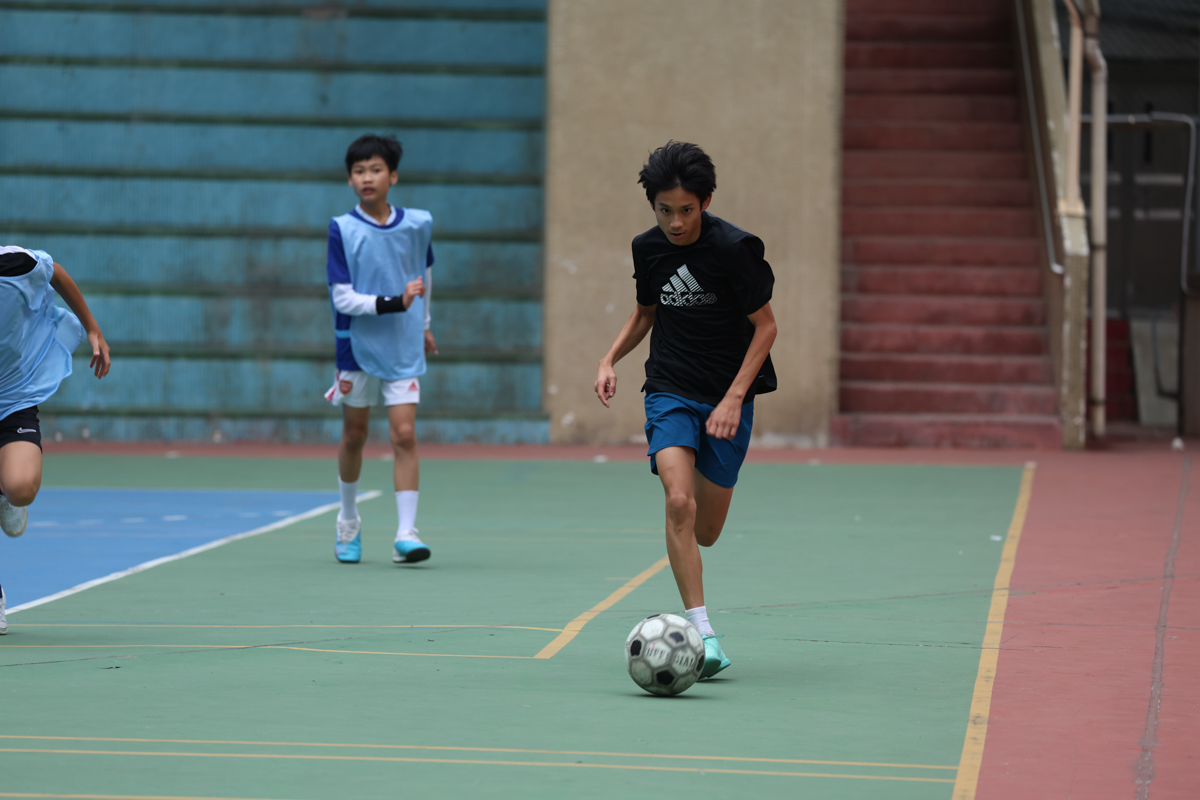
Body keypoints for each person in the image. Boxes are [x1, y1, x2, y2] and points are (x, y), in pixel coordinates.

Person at [594, 141, 777, 678]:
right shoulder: (648, 249)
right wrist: (608, 359)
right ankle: (704, 634)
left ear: (706, 201)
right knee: (679, 501)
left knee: (706, 530)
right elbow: (645, 313)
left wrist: (734, 398)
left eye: (687, 210)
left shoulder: (735, 249)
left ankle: (698, 505)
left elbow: (766, 327)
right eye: (665, 210)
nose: (675, 222)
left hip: (726, 397)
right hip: (669, 387)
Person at [325, 134, 438, 565]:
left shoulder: (418, 224)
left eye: (375, 169)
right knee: (355, 434)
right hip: (356, 345)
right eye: (358, 171)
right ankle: (348, 519)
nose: (366, 177)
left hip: (404, 343)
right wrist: (396, 303)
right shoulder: (342, 228)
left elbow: (424, 273)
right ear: (350, 180)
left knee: (404, 434)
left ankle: (406, 533)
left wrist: (423, 323)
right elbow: (342, 298)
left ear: (393, 176)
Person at [0, 245, 111, 634]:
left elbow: (56, 272)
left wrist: (92, 327)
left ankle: (4, 494)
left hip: (13, 397)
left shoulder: (14, 264)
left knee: (21, 488)